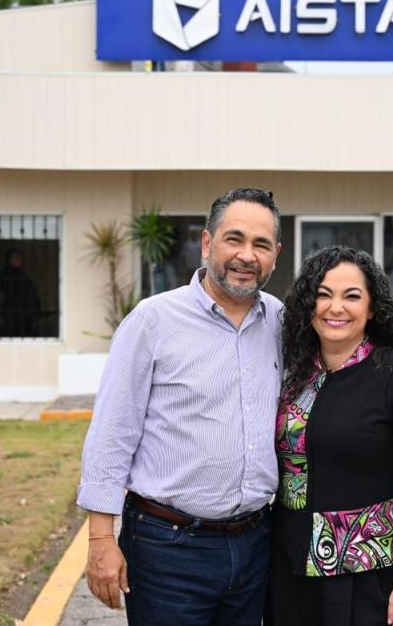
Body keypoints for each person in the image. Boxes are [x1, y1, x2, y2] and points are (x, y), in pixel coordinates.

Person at [78, 188, 283, 626]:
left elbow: (335, 371)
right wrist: (100, 539)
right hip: (166, 548)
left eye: (261, 245)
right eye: (235, 239)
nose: (247, 255)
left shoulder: (282, 323)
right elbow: (113, 434)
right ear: (207, 244)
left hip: (254, 546)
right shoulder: (153, 322)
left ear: (275, 255)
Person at [267, 246, 393, 626]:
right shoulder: (294, 376)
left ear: (373, 308)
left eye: (352, 296)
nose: (335, 307)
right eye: (323, 294)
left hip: (364, 574)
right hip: (288, 570)